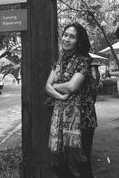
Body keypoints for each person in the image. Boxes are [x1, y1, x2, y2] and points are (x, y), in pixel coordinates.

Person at [45, 22, 97, 178]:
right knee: (58, 164)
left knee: (82, 164)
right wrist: (60, 95)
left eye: (72, 37)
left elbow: (72, 86)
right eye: (65, 35)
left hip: (83, 118)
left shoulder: (84, 61)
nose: (66, 39)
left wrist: (55, 86)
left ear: (79, 41)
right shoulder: (59, 61)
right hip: (60, 117)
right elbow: (47, 86)